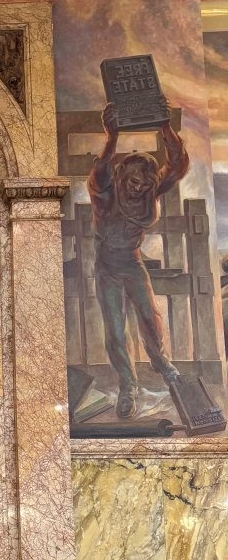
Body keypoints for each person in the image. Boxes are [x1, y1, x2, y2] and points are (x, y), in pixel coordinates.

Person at [89, 100, 189, 418]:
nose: (138, 190)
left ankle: (161, 363)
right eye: (133, 183)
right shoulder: (106, 191)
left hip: (132, 262)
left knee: (150, 318)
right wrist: (112, 137)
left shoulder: (149, 191)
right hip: (107, 266)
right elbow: (100, 171)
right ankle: (128, 385)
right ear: (122, 178)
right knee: (116, 330)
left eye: (145, 185)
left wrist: (165, 126)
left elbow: (177, 166)